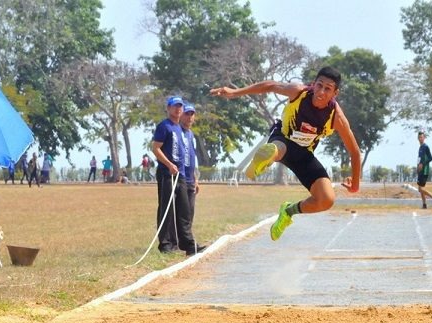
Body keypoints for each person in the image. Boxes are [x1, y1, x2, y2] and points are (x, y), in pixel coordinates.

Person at [210, 66, 361, 240]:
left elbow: (354, 151)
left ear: (335, 93)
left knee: (326, 200)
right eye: (319, 85)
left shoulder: (336, 117)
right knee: (278, 149)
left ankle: (288, 211)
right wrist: (235, 92)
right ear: (313, 84)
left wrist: (355, 185)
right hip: (283, 138)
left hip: (304, 155)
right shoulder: (298, 92)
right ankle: (263, 161)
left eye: (328, 89)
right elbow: (270, 85)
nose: (321, 92)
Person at [151, 95, 200, 256]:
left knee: (184, 211)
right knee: (167, 209)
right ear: (168, 108)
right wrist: (168, 165)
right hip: (167, 174)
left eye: (180, 106)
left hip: (182, 176)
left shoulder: (181, 129)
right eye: (175, 106)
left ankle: (187, 244)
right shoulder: (164, 127)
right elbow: (156, 148)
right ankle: (166, 244)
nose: (178, 109)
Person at [180, 104, 201, 230]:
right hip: (180, 178)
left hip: (190, 179)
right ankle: (178, 240)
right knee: (182, 212)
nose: (189, 117)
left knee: (190, 211)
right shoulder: (177, 132)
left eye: (191, 114)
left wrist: (196, 179)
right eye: (187, 114)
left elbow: (193, 156)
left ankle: (188, 239)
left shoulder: (191, 135)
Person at [416, 130, 432, 209]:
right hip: (420, 170)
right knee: (420, 188)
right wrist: (418, 167)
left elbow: (430, 158)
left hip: (425, 170)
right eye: (419, 137)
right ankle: (424, 204)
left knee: (420, 189)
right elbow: (419, 159)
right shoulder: (420, 147)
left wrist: (423, 164)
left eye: (421, 137)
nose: (420, 138)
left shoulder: (426, 147)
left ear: (424, 138)